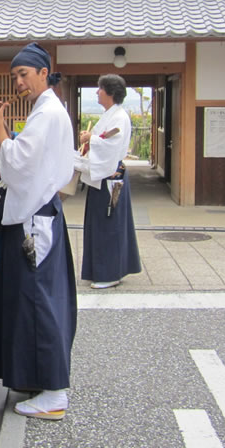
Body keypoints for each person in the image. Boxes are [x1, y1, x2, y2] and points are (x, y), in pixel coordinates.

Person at [0, 42, 78, 421]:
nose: (18, 82)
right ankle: (42, 380)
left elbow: (17, 165)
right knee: (36, 300)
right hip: (40, 215)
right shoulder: (48, 111)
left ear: (42, 73)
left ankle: (54, 393)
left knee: (37, 302)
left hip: (34, 222)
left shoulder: (47, 113)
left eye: (24, 74)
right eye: (13, 76)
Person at [74, 74, 142, 289]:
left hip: (110, 178)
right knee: (100, 225)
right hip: (103, 178)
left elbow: (110, 146)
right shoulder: (110, 115)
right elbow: (101, 139)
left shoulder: (120, 117)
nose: (96, 92)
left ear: (110, 92)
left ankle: (109, 273)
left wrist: (90, 139)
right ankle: (104, 270)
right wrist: (90, 138)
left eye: (100, 88)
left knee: (108, 225)